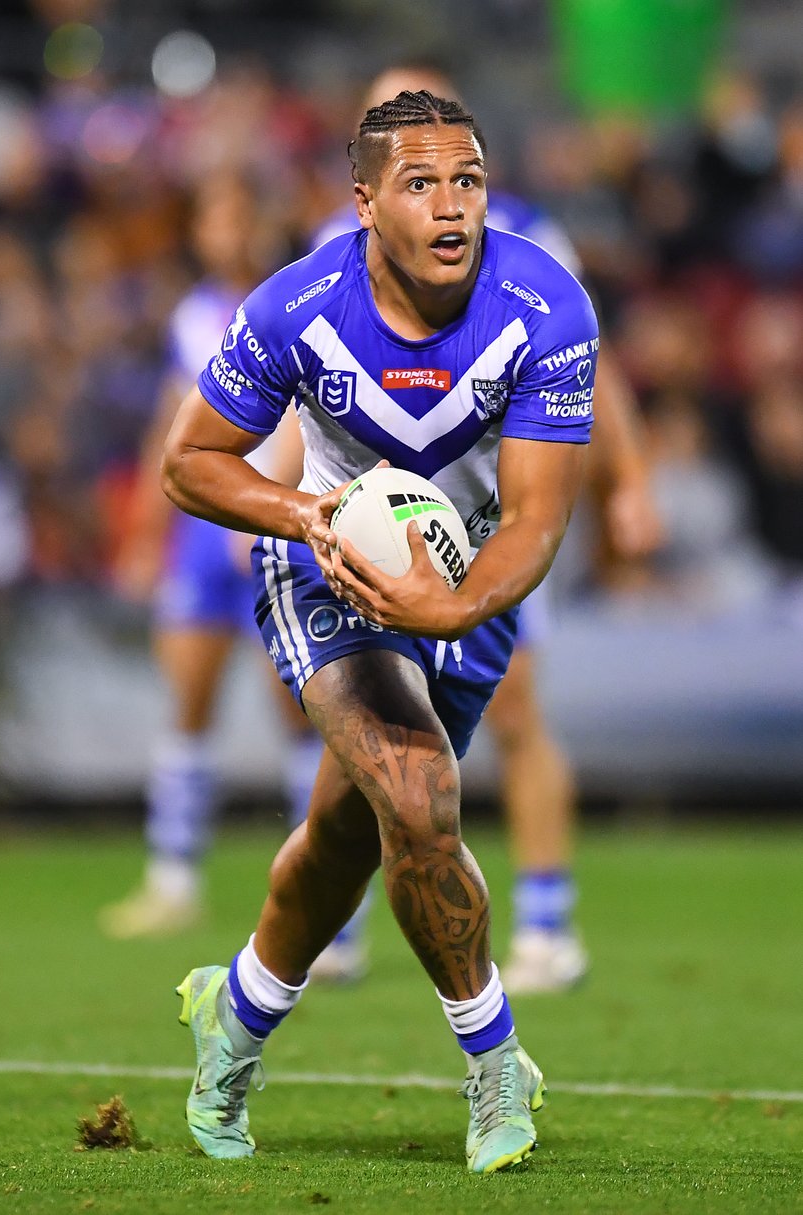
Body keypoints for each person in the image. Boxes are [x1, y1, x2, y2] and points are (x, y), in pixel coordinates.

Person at [162, 90, 598, 1173]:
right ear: (363, 202)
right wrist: (306, 515)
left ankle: (238, 1013)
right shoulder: (294, 308)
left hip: (468, 582)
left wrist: (452, 605)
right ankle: (496, 1063)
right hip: (329, 574)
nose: (452, 206)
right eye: (420, 184)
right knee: (418, 793)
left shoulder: (546, 309)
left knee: (351, 837)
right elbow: (189, 461)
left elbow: (538, 517)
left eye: (469, 181)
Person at [306, 63, 663, 992]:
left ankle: (547, 916)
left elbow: (593, 369)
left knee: (516, 710)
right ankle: (334, 920)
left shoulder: (528, 244)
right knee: (365, 725)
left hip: (489, 519)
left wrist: (628, 479)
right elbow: (297, 395)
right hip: (373, 518)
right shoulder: (330, 246)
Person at [99, 173, 324, 939]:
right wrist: (143, 530)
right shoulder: (193, 315)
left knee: (301, 708)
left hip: (277, 522)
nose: (227, 235)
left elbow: (308, 412)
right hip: (203, 535)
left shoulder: (299, 305)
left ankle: (324, 886)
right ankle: (172, 877)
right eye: (215, 220)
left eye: (240, 218)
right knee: (189, 698)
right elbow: (174, 419)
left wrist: (262, 501)